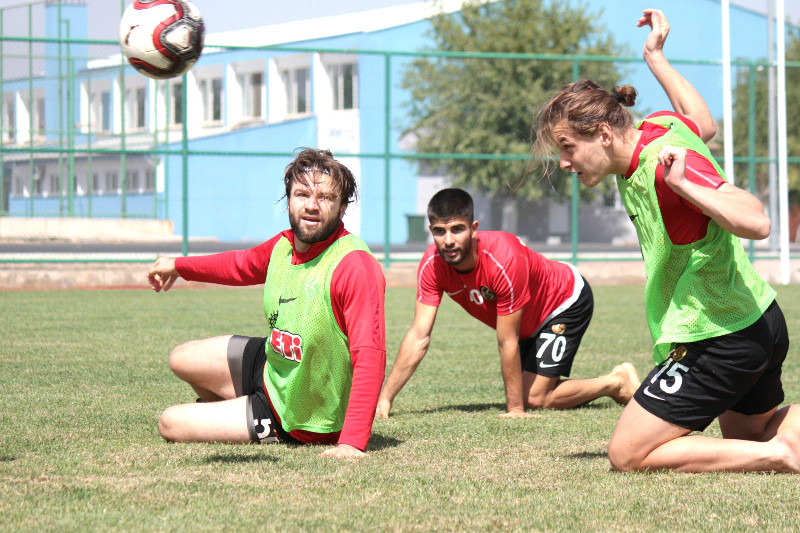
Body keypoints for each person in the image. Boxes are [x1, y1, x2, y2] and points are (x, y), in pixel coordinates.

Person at [531, 9, 800, 472]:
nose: (566, 164)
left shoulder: (662, 166)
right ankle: (772, 444)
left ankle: (780, 456)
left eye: (568, 148)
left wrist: (687, 186)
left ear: (603, 132)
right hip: (755, 320)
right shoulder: (660, 125)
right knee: (750, 431)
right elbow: (703, 123)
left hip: (718, 335)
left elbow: (757, 221)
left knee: (628, 454)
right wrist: (655, 57)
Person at [147, 148, 386, 458]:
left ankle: (253, 420)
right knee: (181, 358)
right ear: (288, 200)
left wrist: (351, 443)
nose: (311, 206)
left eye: (325, 198)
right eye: (301, 194)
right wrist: (179, 266)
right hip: (274, 364)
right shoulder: (284, 246)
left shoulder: (354, 264)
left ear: (342, 208)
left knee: (171, 423)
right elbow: (240, 264)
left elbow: (370, 355)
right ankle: (234, 413)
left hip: (302, 413)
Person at [376, 187, 640, 419]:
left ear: (474, 229)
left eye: (457, 229)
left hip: (563, 301)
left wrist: (515, 410)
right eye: (439, 231)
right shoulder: (432, 266)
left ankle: (616, 382)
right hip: (526, 321)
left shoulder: (504, 259)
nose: (448, 241)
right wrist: (385, 399)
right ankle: (594, 384)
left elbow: (507, 341)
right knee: (531, 392)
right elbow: (418, 336)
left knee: (536, 399)